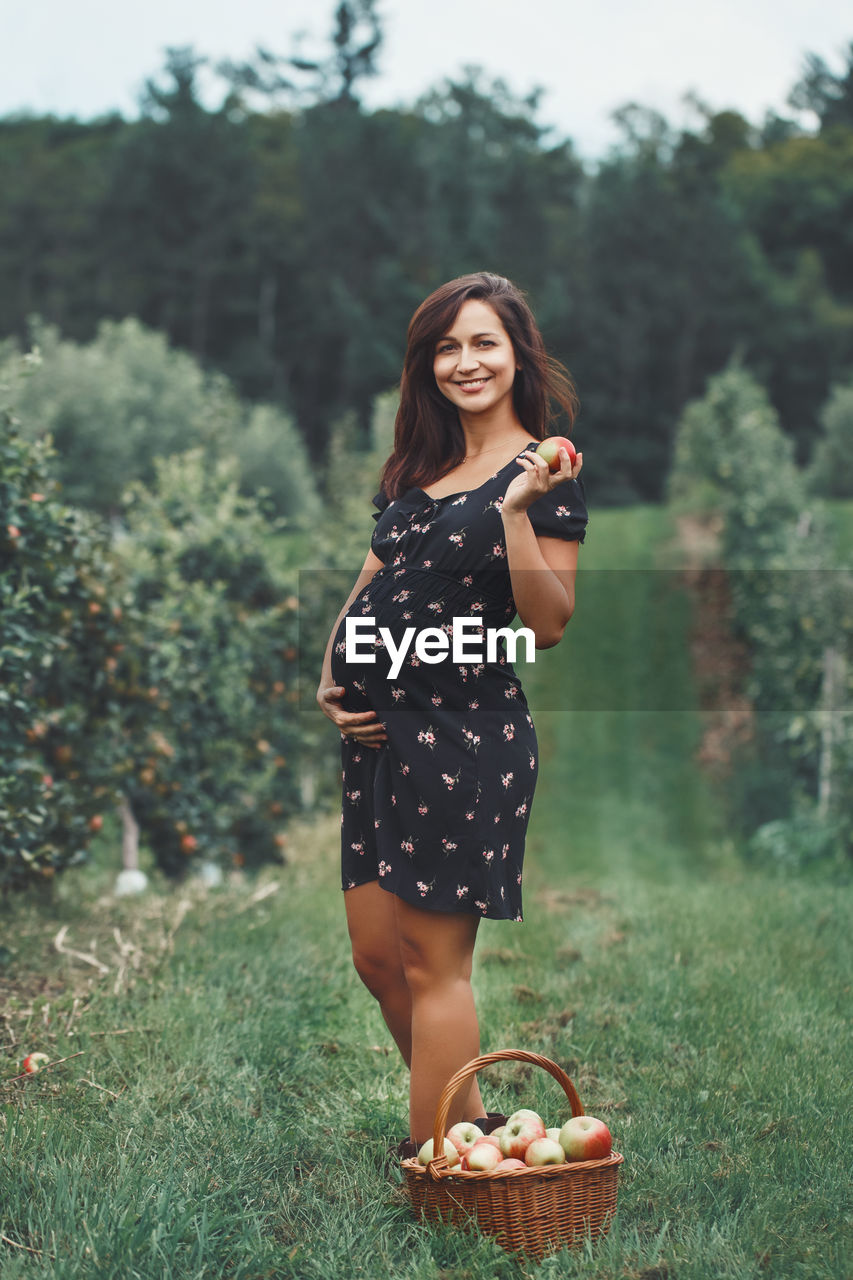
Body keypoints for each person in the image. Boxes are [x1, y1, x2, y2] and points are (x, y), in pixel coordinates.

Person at [316, 271, 588, 1154]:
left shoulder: (545, 467)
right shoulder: (416, 471)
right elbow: (368, 584)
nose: (464, 362)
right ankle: (464, 1126)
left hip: (464, 740)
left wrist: (512, 514)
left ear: (516, 355)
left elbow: (548, 624)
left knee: (436, 965)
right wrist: (333, 674)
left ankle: (438, 1162)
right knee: (376, 959)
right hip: (377, 741)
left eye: (482, 343)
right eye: (446, 346)